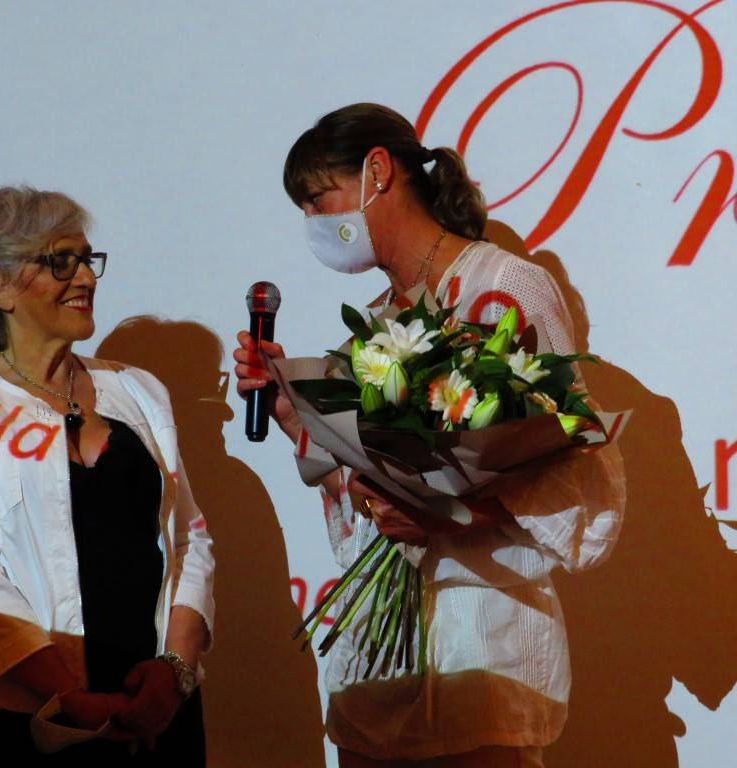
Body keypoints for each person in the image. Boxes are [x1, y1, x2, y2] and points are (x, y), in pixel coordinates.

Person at [233, 103, 626, 767]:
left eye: (318, 199)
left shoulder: (504, 287)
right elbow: (367, 500)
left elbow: (582, 466)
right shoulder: (372, 327)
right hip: (377, 674)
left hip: (485, 656)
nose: (312, 223)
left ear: (378, 172)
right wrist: (297, 418)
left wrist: (455, 515)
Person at [0, 185, 214, 767]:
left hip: (150, 714)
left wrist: (174, 673)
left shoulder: (139, 390)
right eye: (60, 262)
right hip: (6, 721)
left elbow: (188, 541)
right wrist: (72, 698)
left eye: (87, 260)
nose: (86, 278)